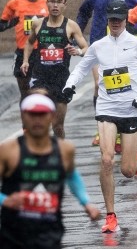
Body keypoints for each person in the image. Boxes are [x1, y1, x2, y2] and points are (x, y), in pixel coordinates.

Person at [63, 0, 137, 233]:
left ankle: (135, 157)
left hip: (132, 109)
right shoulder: (98, 46)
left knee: (127, 171)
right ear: (107, 20)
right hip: (107, 108)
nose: (115, 23)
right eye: (112, 19)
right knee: (106, 159)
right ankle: (111, 215)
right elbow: (82, 67)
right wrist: (69, 85)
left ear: (125, 20)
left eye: (119, 19)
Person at [0, 93, 100, 248]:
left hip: (50, 234)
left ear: (52, 116)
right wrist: (5, 200)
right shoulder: (8, 150)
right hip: (14, 236)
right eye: (32, 115)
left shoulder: (64, 149)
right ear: (23, 116)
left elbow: (71, 175)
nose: (37, 120)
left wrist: (86, 203)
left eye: (42, 114)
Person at [20, 0, 89, 138]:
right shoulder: (38, 24)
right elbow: (29, 42)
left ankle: (60, 151)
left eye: (59, 2)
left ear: (65, 4)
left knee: (57, 126)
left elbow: (86, 48)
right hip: (40, 77)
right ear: (47, 3)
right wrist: (25, 61)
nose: (55, 5)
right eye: (52, 1)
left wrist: (77, 51)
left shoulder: (71, 26)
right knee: (38, 115)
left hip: (60, 80)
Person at [0, 0, 49, 99]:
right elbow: (1, 25)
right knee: (25, 92)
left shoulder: (47, 3)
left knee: (40, 90)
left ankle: (42, 110)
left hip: (41, 51)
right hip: (22, 52)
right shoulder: (14, 3)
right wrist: (10, 24)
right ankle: (25, 111)